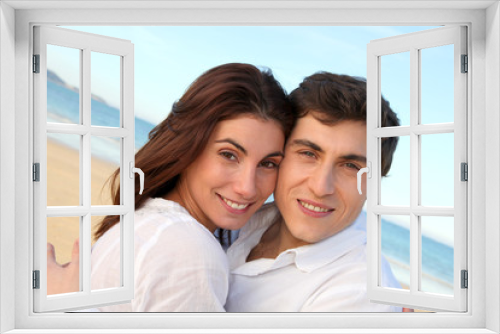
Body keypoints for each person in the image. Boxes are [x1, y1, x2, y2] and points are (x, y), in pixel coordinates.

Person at [47, 63, 295, 312]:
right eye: (229, 155)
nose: (248, 188)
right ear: (189, 147)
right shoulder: (189, 252)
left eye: (268, 163)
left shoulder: (152, 220)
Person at [224, 72, 404, 312]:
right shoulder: (240, 213)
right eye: (309, 154)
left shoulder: (360, 296)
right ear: (278, 154)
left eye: (351, 166)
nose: (321, 187)